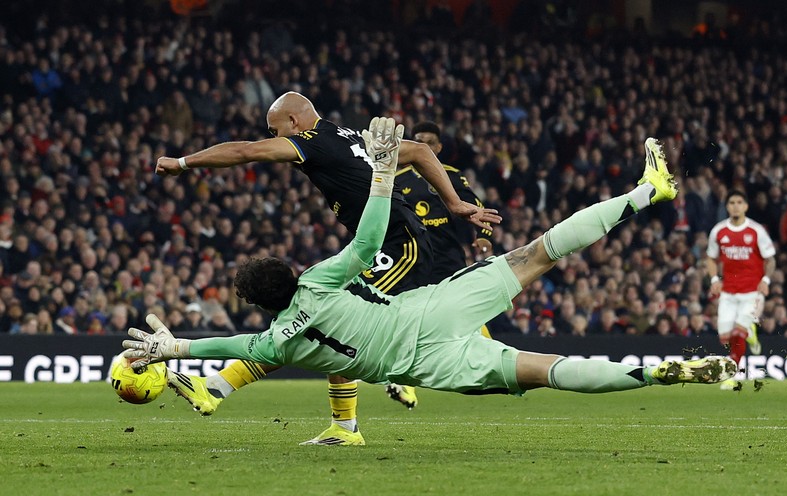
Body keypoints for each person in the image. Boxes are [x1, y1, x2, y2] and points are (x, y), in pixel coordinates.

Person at [125, 121, 736, 445]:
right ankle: (644, 192)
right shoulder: (319, 278)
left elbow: (230, 347)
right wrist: (385, 172)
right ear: (288, 272)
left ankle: (658, 372)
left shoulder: (276, 341)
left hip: (429, 360)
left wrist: (174, 347)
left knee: (543, 370)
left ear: (259, 305)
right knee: (538, 253)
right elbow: (366, 241)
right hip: (430, 308)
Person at [154, 93, 501, 445]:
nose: (276, 139)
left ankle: (222, 388)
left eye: (276, 131)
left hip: (400, 244)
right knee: (322, 320)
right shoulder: (351, 136)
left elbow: (245, 151)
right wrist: (454, 203)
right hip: (387, 241)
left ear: (294, 122)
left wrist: (182, 163)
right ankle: (332, 423)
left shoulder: (313, 141)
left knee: (323, 318)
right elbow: (422, 152)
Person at [386, 120, 495, 408]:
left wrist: (484, 237)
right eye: (418, 141)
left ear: (439, 147)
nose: (424, 146)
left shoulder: (450, 176)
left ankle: (492, 363)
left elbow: (476, 206)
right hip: (414, 257)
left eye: (430, 142)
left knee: (469, 310)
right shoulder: (399, 178)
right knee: (410, 318)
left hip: (449, 257)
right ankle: (403, 383)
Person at [706, 190, 776, 390]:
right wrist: (714, 279)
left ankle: (731, 375)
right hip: (728, 292)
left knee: (738, 332)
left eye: (739, 202)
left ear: (745, 206)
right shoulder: (719, 231)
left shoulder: (756, 231)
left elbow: (770, 259)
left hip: (752, 292)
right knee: (725, 336)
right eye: (731, 202)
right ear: (727, 206)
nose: (735, 205)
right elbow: (710, 257)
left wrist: (766, 280)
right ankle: (751, 333)